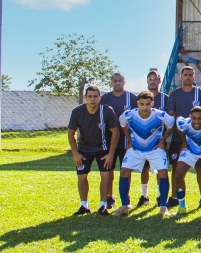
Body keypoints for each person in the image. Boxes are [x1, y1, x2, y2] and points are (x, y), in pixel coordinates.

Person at [112, 91, 174, 217]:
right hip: (136, 149)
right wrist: (130, 139)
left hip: (155, 149)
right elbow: (122, 124)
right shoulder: (129, 114)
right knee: (124, 171)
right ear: (137, 104)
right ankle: (124, 206)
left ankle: (163, 206)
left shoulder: (160, 115)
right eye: (142, 104)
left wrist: (163, 140)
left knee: (163, 172)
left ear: (152, 103)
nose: (145, 107)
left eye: (147, 104)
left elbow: (172, 125)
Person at [67, 86, 120, 215]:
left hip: (103, 149)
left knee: (106, 175)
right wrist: (76, 153)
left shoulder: (107, 111)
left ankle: (103, 205)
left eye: (95, 96)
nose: (92, 99)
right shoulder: (77, 112)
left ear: (99, 98)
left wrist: (110, 154)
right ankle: (84, 205)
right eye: (90, 96)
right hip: (84, 149)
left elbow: (115, 132)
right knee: (82, 176)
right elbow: (70, 133)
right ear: (85, 98)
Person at [165, 66, 201, 209]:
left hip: (197, 138)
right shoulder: (175, 94)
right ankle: (174, 197)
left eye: (191, 74)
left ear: (194, 77)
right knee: (176, 167)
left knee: (199, 168)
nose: (188, 77)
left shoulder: (200, 93)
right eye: (186, 75)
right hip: (178, 138)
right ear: (181, 77)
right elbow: (170, 115)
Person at [100, 73, 139, 210]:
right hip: (109, 141)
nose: (117, 83)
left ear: (124, 82)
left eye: (120, 81)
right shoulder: (105, 98)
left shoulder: (132, 98)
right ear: (111, 82)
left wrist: (132, 139)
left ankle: (125, 197)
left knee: (126, 170)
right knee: (109, 169)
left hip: (126, 141)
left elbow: (137, 118)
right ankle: (110, 197)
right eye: (115, 81)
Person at [136, 71, 170, 207]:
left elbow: (169, 120)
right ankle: (144, 195)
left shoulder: (165, 98)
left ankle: (159, 195)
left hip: (159, 141)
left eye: (155, 79)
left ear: (159, 81)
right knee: (145, 168)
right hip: (143, 140)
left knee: (159, 168)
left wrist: (164, 139)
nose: (152, 82)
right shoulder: (142, 97)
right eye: (150, 79)